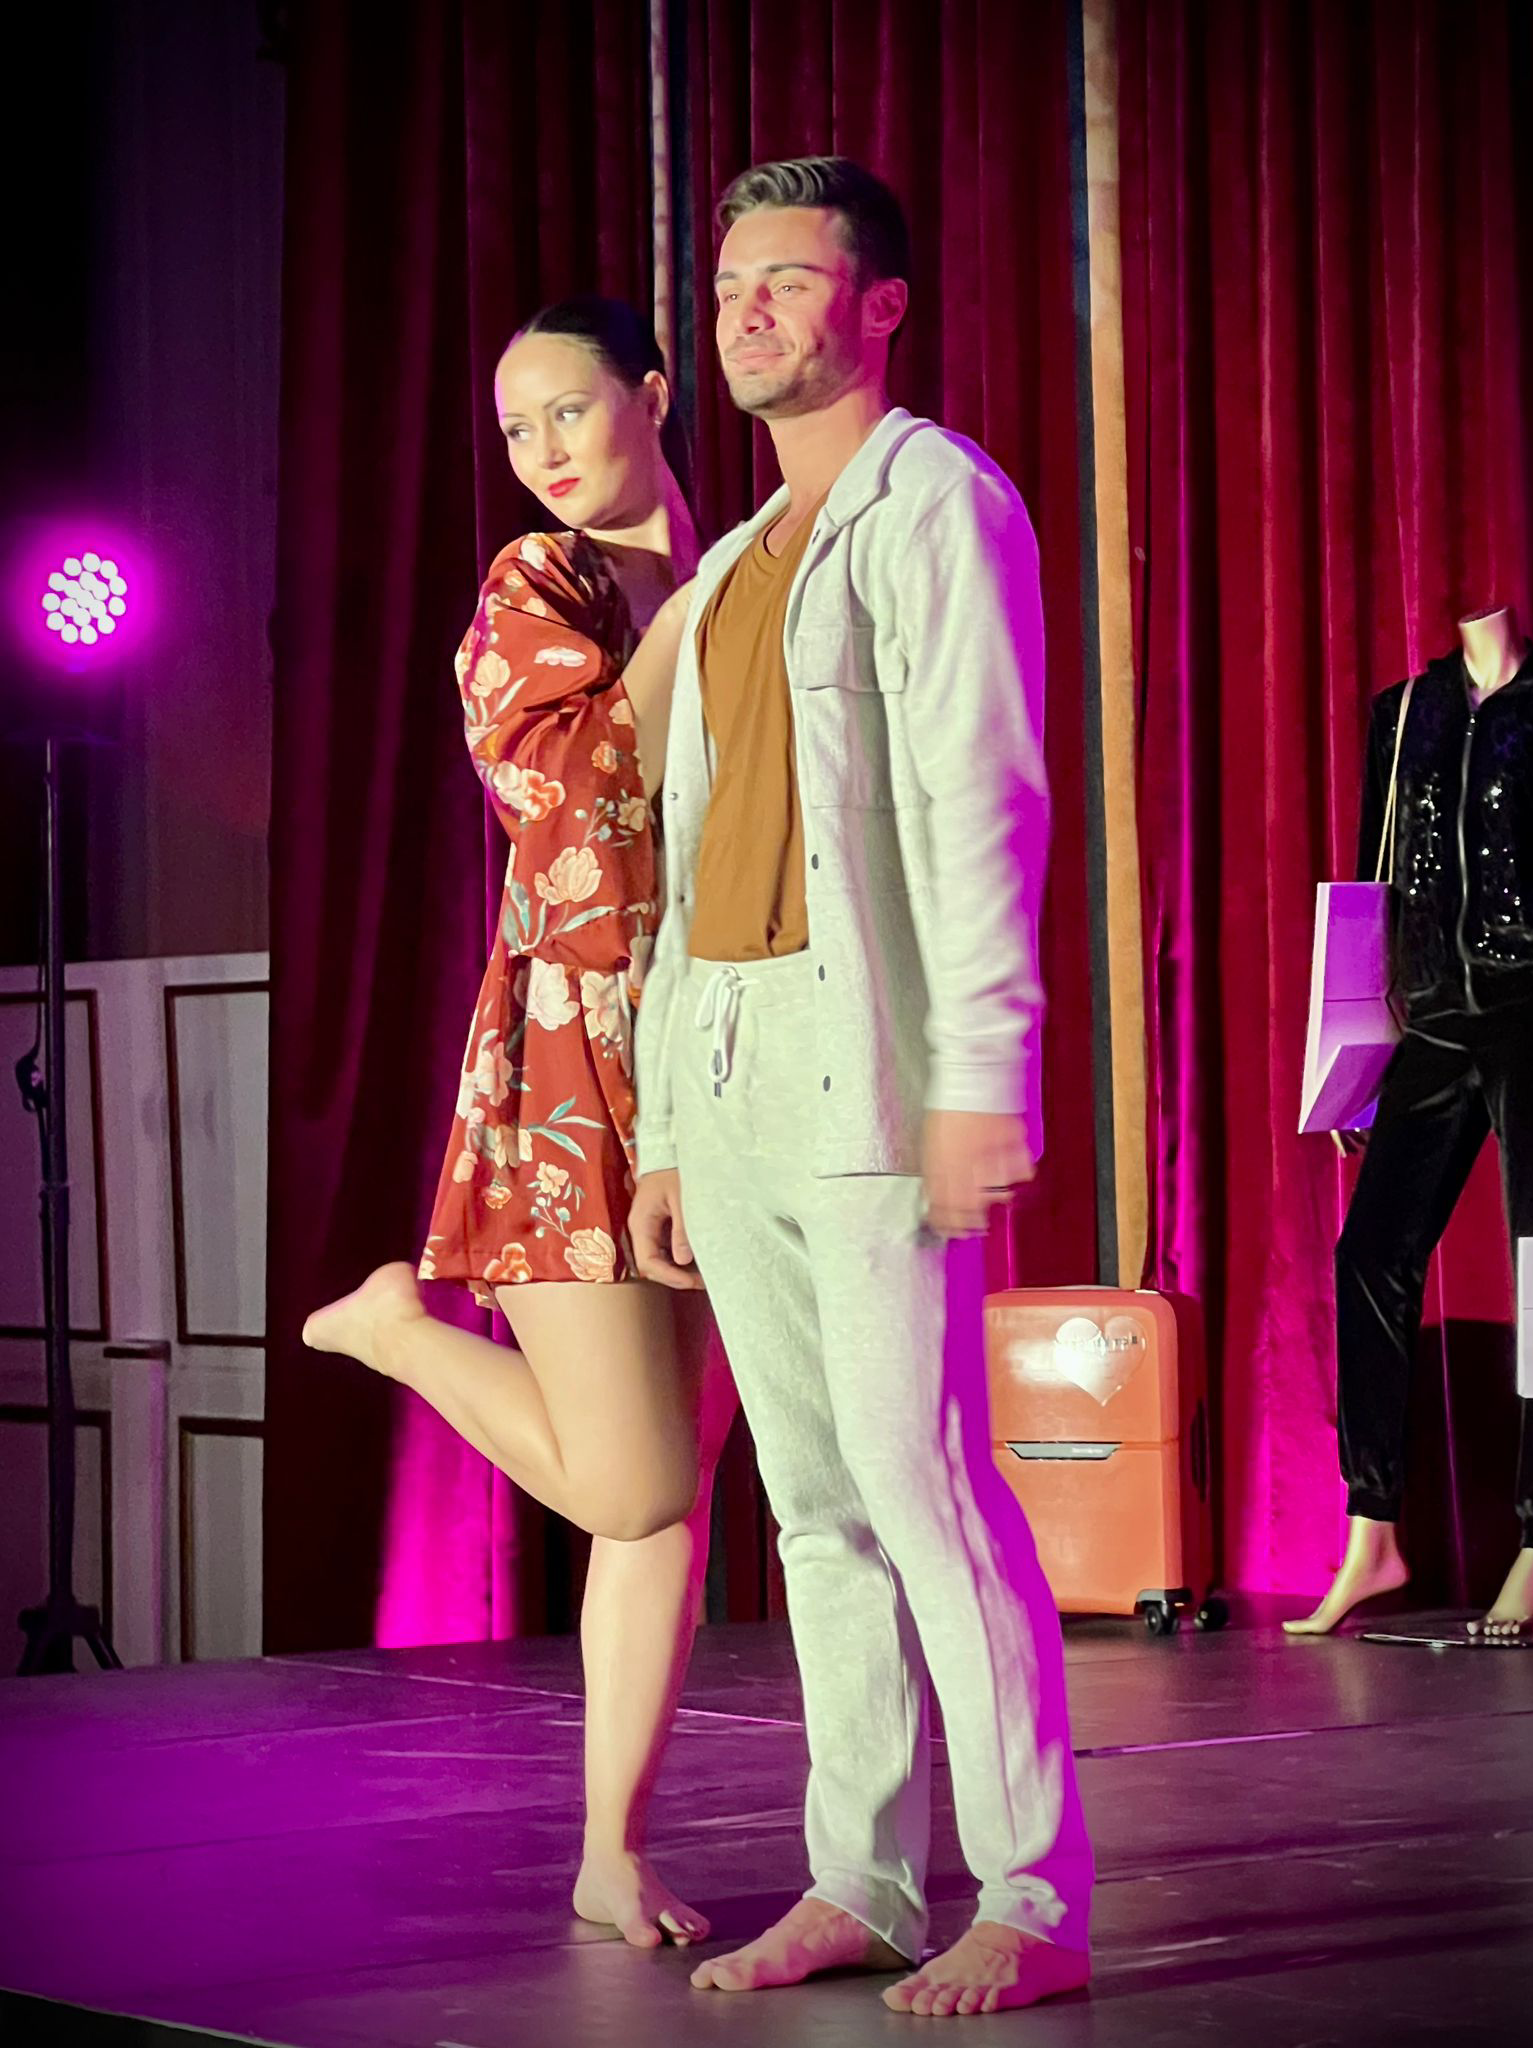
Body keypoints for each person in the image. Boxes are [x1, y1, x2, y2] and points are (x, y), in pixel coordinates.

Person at [629, 157, 1094, 2020]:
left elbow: (983, 794)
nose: (744, 311)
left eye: (788, 279)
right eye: (727, 284)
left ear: (879, 304)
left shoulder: (935, 502)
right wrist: (669, 1128)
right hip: (735, 1056)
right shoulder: (737, 561)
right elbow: (685, 865)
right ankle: (866, 1877)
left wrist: (979, 1066)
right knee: (813, 1501)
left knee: (920, 1478)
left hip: (870, 1052)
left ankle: (1031, 1893)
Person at [302, 297, 737, 1946]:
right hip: (574, 1068)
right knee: (629, 1486)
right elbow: (580, 812)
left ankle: (610, 1850)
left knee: (674, 1499)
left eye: (569, 409)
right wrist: (707, 613)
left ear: (653, 394)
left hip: (731, 1054)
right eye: (517, 427)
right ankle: (398, 1330)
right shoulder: (539, 585)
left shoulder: (737, 571)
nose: (544, 450)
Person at [1286, 604, 1533, 1641]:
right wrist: (1360, 1068)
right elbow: (1373, 893)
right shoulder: (1403, 714)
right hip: (1431, 1017)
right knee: (1370, 1252)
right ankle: (1372, 1531)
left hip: (1531, 1012)